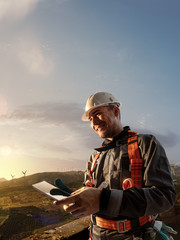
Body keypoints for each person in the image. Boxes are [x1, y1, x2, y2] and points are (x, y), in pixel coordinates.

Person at [55, 92, 176, 240]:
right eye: (90, 119)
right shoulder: (94, 158)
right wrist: (76, 197)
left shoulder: (145, 144)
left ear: (116, 111)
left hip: (134, 235)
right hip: (95, 235)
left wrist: (104, 200)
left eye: (97, 114)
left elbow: (164, 197)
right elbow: (91, 194)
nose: (94, 123)